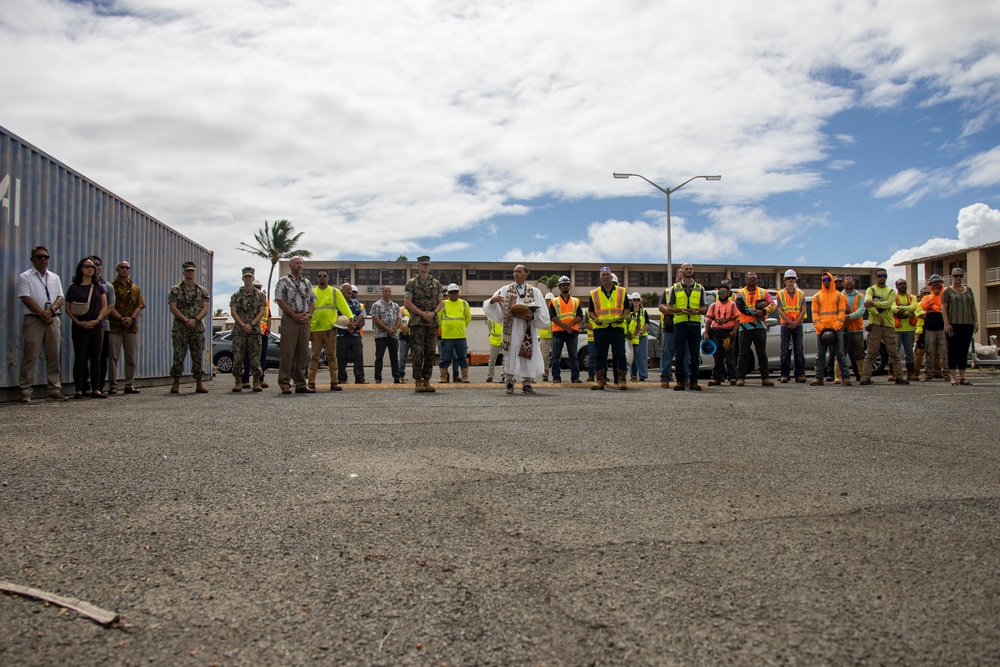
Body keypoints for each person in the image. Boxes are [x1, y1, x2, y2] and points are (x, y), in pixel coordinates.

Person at [484, 264, 550, 394]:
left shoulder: (534, 291)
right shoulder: (505, 289)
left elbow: (542, 312)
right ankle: (509, 381)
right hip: (511, 329)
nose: (516, 274)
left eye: (519, 271)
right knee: (510, 354)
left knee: (527, 353)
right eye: (514, 272)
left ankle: (526, 382)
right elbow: (490, 305)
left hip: (527, 329)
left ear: (526, 274)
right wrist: (493, 300)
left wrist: (533, 315)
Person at [17, 246, 69, 402]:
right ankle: (25, 390)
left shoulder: (54, 277)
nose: (43, 260)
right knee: (30, 354)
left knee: (53, 354)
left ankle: (54, 389)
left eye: (46, 257)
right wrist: (41, 313)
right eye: (39, 257)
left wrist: (50, 312)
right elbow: (26, 297)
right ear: (33, 259)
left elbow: (60, 297)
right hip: (34, 319)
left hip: (52, 319)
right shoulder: (25, 277)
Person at [66, 256, 109, 398]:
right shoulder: (74, 287)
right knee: (80, 358)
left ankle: (96, 388)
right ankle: (79, 389)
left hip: (96, 327)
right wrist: (78, 322)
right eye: (87, 266)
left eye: (93, 267)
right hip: (79, 327)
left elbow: (105, 307)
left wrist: (97, 320)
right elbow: (68, 308)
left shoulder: (99, 287)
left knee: (96, 358)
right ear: (81, 269)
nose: (90, 269)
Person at [587, 266, 633, 390]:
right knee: (599, 355)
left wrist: (622, 317)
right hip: (600, 328)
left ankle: (621, 380)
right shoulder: (594, 293)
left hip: (617, 327)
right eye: (603, 275)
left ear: (611, 276)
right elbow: (590, 311)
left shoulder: (622, 291)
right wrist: (595, 319)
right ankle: (600, 381)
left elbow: (627, 308)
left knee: (620, 354)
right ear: (600, 278)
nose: (606, 277)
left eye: (607, 274)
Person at [274, 256, 315, 394]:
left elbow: (312, 301)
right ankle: (285, 383)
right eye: (297, 263)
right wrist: (293, 315)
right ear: (290, 265)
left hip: (304, 319)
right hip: (291, 319)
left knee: (303, 352)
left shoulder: (307, 283)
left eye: (301, 263)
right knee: (287, 352)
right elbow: (280, 300)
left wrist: (308, 315)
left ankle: (301, 383)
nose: (300, 265)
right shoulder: (283, 281)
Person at [859, 268, 908, 385]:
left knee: (894, 352)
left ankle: (899, 377)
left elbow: (888, 304)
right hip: (875, 324)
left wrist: (874, 303)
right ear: (875, 277)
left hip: (889, 325)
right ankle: (866, 377)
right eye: (879, 276)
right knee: (871, 352)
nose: (882, 278)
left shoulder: (891, 291)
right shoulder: (870, 289)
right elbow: (867, 304)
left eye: (884, 276)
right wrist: (877, 314)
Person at [168, 261, 211, 394]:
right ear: (183, 273)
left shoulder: (202, 291)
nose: (190, 273)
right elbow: (173, 307)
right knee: (179, 356)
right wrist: (186, 320)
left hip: (197, 328)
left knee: (197, 356)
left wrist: (196, 320)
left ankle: (199, 383)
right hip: (181, 327)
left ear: (195, 273)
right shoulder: (175, 290)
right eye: (187, 271)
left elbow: (205, 308)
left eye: (192, 271)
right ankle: (176, 383)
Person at [664, 263, 706, 391]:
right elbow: (669, 308)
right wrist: (681, 310)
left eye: (690, 269)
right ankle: (680, 381)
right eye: (686, 269)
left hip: (694, 324)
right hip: (680, 324)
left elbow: (704, 308)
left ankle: (694, 381)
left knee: (694, 354)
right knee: (680, 354)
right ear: (681, 271)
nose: (688, 270)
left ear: (693, 271)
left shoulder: (700, 288)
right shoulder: (675, 288)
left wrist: (697, 310)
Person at [404, 256, 443, 393]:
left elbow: (441, 302)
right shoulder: (411, 283)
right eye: (423, 264)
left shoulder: (436, 283)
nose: (426, 266)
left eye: (427, 264)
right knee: (417, 352)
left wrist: (433, 313)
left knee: (430, 352)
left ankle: (426, 381)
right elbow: (408, 303)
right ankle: (417, 381)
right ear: (418, 266)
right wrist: (423, 314)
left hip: (431, 322)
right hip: (417, 322)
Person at [308, 270, 353, 391]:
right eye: (319, 276)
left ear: (328, 278)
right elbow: (308, 310)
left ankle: (334, 382)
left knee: (331, 356)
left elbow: (344, 307)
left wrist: (350, 319)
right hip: (315, 329)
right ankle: (311, 382)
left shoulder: (335, 292)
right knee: (314, 357)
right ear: (317, 279)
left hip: (330, 329)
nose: (322, 278)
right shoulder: (312, 292)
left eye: (324, 276)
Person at [107, 260, 145, 395]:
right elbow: (108, 306)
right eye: (122, 267)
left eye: (127, 267)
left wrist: (131, 318)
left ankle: (129, 384)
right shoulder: (111, 287)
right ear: (117, 269)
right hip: (115, 327)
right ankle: (113, 385)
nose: (124, 269)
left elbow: (139, 306)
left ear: (129, 270)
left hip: (131, 328)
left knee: (131, 358)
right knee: (113, 357)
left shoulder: (135, 288)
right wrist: (121, 318)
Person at [229, 267, 268, 392]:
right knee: (238, 357)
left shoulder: (260, 295)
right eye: (246, 277)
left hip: (255, 330)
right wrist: (243, 325)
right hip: (240, 331)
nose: (248, 279)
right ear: (242, 278)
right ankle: (238, 382)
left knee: (255, 356)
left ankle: (256, 381)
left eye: (250, 277)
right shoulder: (236, 295)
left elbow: (262, 311)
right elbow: (234, 312)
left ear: (253, 278)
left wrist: (251, 324)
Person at [810, 272, 852, 386]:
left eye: (828, 279)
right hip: (821, 330)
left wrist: (835, 327)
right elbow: (814, 314)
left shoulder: (840, 295)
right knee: (820, 355)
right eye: (824, 280)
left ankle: (845, 378)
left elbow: (842, 313)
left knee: (840, 354)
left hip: (836, 329)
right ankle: (818, 377)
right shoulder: (816, 297)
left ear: (832, 280)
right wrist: (820, 327)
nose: (826, 281)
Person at [734, 271, 776, 386]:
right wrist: (755, 312)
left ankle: (765, 378)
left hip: (759, 326)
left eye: (754, 278)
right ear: (745, 279)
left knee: (762, 353)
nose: (752, 279)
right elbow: (741, 307)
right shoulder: (739, 292)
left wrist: (763, 311)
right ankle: (740, 378)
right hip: (745, 326)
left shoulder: (763, 292)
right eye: (750, 278)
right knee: (743, 353)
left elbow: (772, 304)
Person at [82, 255, 114, 395]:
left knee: (101, 358)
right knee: (83, 357)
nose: (93, 267)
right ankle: (83, 387)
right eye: (90, 265)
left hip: (102, 326)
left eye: (96, 264)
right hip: (83, 325)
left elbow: (110, 305)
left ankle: (98, 387)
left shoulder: (106, 286)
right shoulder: (79, 284)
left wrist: (98, 319)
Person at [941, 267, 978, 386]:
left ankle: (963, 376)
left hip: (967, 323)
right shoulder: (947, 291)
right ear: (952, 277)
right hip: (953, 324)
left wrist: (976, 321)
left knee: (963, 350)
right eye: (955, 276)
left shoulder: (969, 290)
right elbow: (944, 308)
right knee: (953, 351)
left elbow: (973, 307)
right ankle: (953, 376)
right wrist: (946, 323)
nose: (958, 278)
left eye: (960, 276)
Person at [548, 275, 583, 384]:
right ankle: (556, 377)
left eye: (567, 285)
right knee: (555, 356)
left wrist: (570, 325)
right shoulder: (554, 301)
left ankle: (575, 377)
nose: (565, 287)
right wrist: (565, 326)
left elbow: (580, 316)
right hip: (558, 332)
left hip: (572, 332)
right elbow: (553, 317)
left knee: (573, 356)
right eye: (563, 285)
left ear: (569, 287)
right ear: (559, 287)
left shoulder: (576, 301)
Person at [704, 281, 739, 386]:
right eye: (720, 292)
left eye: (724, 292)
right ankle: (716, 378)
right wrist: (706, 333)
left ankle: (732, 377)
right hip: (716, 333)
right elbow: (708, 320)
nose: (722, 294)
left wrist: (734, 332)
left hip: (729, 333)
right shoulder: (713, 306)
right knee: (717, 357)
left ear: (728, 293)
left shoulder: (733, 305)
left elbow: (738, 320)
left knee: (730, 357)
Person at [776, 269, 806, 383]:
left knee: (798, 350)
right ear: (785, 280)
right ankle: (784, 374)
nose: (791, 280)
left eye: (793, 278)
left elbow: (803, 309)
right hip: (785, 324)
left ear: (796, 279)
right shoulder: (780, 294)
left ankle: (799, 374)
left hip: (798, 324)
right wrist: (789, 321)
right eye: (789, 278)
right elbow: (779, 310)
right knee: (784, 350)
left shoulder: (801, 293)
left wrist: (796, 322)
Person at [438, 283, 472, 383]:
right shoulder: (443, 304)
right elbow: (439, 318)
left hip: (460, 336)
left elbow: (468, 318)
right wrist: (446, 328)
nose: (454, 294)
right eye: (451, 292)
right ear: (448, 294)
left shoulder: (464, 303)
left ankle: (465, 377)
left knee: (462, 357)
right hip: (447, 336)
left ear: (458, 293)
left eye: (455, 292)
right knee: (445, 358)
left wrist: (460, 327)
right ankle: (443, 377)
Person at [370, 286, 402, 384]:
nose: (387, 293)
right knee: (379, 357)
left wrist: (394, 329)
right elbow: (376, 319)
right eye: (385, 291)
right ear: (382, 292)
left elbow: (399, 319)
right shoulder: (376, 305)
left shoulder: (395, 306)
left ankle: (396, 377)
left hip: (393, 335)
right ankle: (378, 377)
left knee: (394, 357)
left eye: (389, 291)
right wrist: (387, 329)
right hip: (381, 335)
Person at [337, 282, 367, 385]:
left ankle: (360, 378)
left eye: (350, 290)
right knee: (341, 358)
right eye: (347, 290)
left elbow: (360, 316)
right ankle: (342, 378)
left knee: (358, 357)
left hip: (355, 334)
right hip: (341, 335)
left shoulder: (356, 303)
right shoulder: (337, 303)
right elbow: (334, 318)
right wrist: (346, 327)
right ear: (341, 292)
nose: (349, 291)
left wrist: (354, 326)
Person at [891, 277, 920, 381]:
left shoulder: (912, 297)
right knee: (895, 352)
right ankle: (892, 373)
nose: (902, 285)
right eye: (900, 284)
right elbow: (893, 308)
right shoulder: (894, 297)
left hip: (909, 329)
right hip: (897, 330)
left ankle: (910, 373)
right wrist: (907, 313)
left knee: (909, 352)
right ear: (896, 286)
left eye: (904, 283)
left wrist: (902, 310)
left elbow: (914, 307)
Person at [919, 274, 947, 381]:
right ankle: (928, 373)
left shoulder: (945, 295)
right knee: (929, 351)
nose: (936, 286)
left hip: (943, 327)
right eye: (934, 284)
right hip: (929, 327)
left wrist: (933, 308)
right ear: (930, 286)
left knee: (944, 351)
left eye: (938, 284)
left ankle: (946, 373)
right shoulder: (927, 297)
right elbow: (924, 306)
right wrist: (933, 299)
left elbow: (943, 308)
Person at [840, 274, 866, 382]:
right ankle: (839, 377)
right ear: (843, 282)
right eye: (846, 280)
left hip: (857, 329)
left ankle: (862, 376)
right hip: (843, 329)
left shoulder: (860, 296)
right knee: (841, 353)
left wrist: (849, 316)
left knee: (859, 353)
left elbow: (862, 310)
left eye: (851, 280)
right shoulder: (839, 295)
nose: (849, 281)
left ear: (854, 282)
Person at [627, 293, 649, 382]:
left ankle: (643, 375)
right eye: (634, 300)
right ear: (632, 301)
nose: (636, 302)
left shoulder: (644, 312)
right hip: (632, 338)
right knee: (632, 357)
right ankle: (633, 375)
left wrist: (641, 332)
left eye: (638, 300)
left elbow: (647, 323)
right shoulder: (629, 313)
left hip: (642, 336)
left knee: (642, 357)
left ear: (640, 301)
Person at [539, 292, 553, 381]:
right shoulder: (542, 311)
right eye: (548, 301)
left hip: (555, 335)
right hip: (545, 336)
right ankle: (545, 373)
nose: (549, 303)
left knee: (556, 356)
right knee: (545, 356)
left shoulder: (555, 310)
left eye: (550, 301)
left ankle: (556, 374)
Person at [485, 314, 503, 382]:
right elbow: (490, 327)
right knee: (492, 359)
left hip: (502, 340)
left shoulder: (492, 316)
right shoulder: (491, 316)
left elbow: (490, 328)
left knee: (505, 360)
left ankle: (504, 375)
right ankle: (490, 376)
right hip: (496, 340)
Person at [398, 305, 411, 382]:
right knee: (403, 357)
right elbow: (398, 321)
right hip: (403, 335)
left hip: (415, 335)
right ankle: (400, 375)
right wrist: (404, 330)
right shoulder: (401, 309)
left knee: (417, 356)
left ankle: (418, 376)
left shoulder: (416, 308)